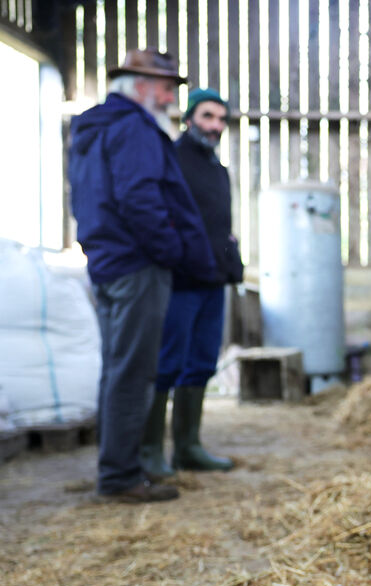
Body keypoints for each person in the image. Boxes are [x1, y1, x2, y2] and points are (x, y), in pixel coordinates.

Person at [68, 49, 218, 503]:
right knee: (134, 372)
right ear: (139, 87)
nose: (172, 97)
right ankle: (119, 478)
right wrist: (170, 250)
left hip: (107, 261)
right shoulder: (134, 129)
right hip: (136, 266)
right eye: (167, 88)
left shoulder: (95, 130)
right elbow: (139, 198)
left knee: (118, 369)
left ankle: (117, 467)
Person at [138, 88, 243, 477]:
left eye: (220, 119)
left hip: (214, 279)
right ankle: (149, 452)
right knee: (167, 363)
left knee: (201, 361)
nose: (215, 126)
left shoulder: (218, 169)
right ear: (189, 119)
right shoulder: (174, 160)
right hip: (180, 280)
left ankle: (188, 447)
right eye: (207, 117)